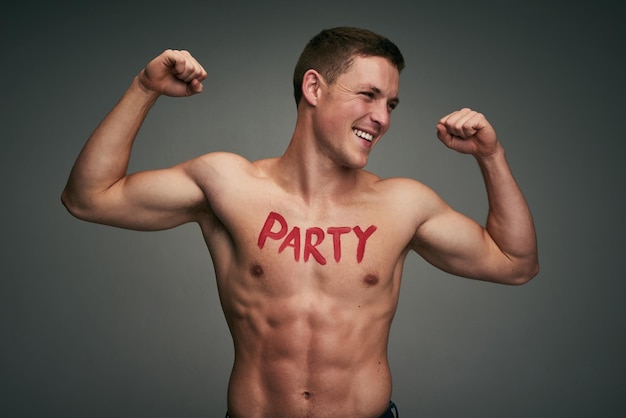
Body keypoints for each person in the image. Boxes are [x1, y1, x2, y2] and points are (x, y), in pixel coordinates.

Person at [61, 27, 538, 418]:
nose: (381, 118)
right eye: (369, 96)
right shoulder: (228, 184)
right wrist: (144, 89)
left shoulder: (402, 204)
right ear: (314, 88)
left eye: (390, 104)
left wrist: (490, 157)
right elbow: (88, 198)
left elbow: (515, 262)